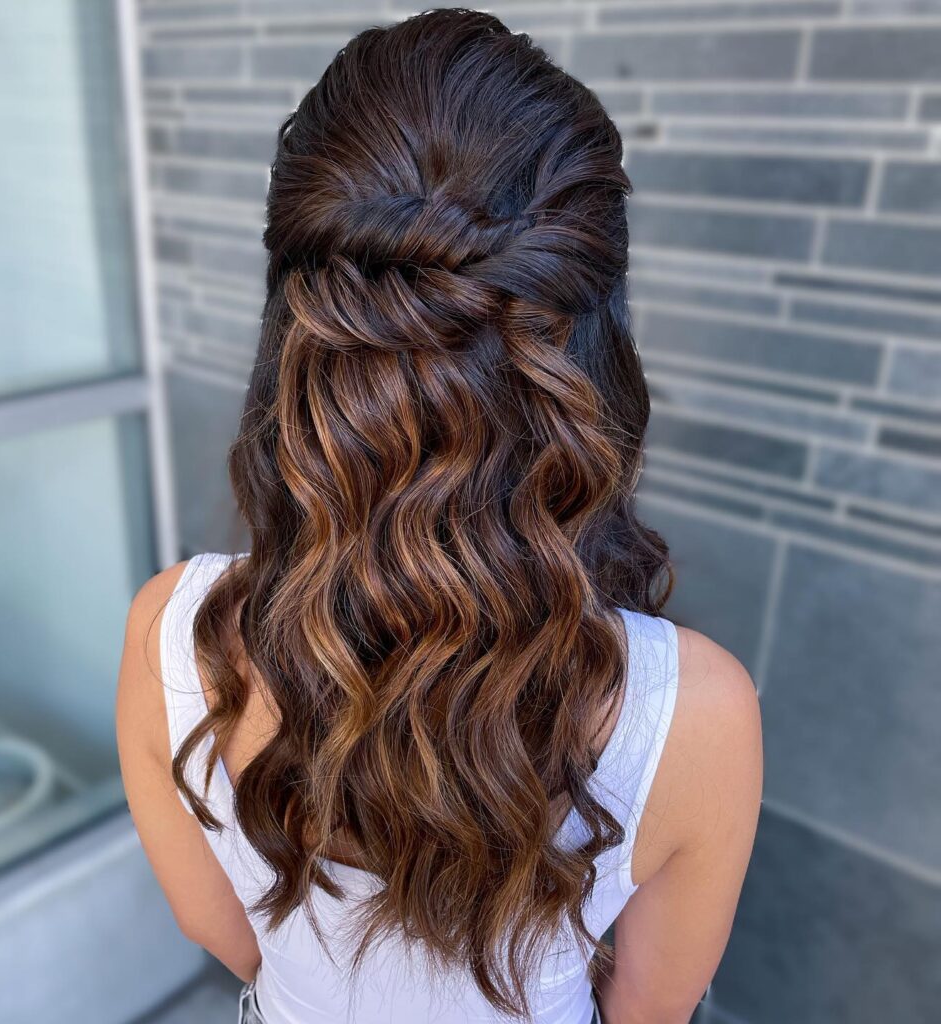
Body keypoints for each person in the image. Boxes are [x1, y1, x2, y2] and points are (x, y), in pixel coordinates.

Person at [116, 9, 763, 1023]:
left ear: (293, 333)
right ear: (593, 353)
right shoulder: (698, 714)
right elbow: (650, 1009)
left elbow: (223, 931)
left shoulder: (170, 633)